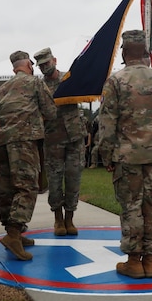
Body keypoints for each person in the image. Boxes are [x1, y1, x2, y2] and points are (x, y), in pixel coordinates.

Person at [96, 30, 152, 279]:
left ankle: (134, 262)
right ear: (145, 52)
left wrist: (106, 154)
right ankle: (150, 261)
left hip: (127, 156)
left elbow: (107, 122)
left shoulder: (116, 81)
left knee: (131, 206)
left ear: (124, 52)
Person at [0, 51, 57, 260]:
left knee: (6, 188)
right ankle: (13, 234)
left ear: (14, 68)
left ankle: (15, 233)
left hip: (2, 142)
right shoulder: (35, 83)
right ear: (29, 65)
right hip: (24, 141)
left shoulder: (1, 89)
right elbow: (50, 112)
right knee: (27, 186)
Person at [34, 46, 88, 236]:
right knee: (55, 182)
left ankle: (69, 218)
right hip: (53, 139)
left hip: (74, 137)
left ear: (54, 60)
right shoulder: (39, 86)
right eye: (40, 66)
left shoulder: (69, 78)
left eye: (47, 63)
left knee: (73, 178)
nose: (44, 68)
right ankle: (58, 219)